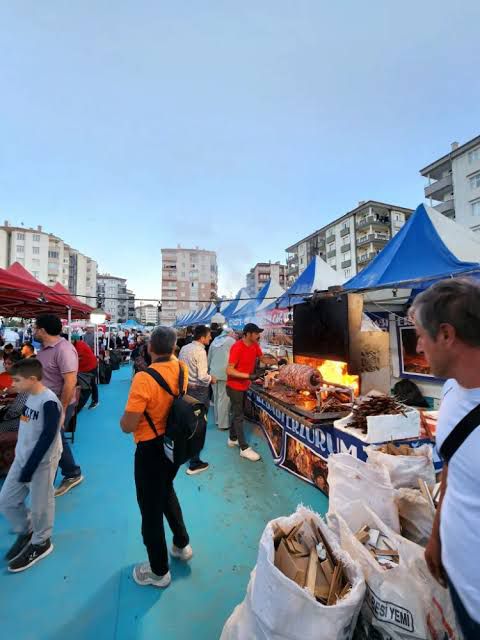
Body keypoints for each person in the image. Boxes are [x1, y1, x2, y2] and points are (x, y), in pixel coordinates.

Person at [411, 279, 480, 638]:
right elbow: (454, 468)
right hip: (458, 580)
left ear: (447, 335)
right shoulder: (452, 388)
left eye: (421, 335)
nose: (418, 346)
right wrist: (437, 536)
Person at [120, 326, 192, 589]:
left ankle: (159, 571)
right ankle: (181, 543)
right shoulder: (181, 369)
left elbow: (128, 425)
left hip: (150, 449)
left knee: (150, 508)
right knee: (166, 491)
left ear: (149, 348)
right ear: (174, 348)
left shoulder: (144, 378)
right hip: (174, 444)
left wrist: (123, 421)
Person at [0, 359, 62, 572]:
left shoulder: (48, 401)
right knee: (7, 500)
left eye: (17, 380)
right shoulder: (28, 396)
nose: (13, 383)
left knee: (40, 505)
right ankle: (26, 531)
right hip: (22, 457)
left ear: (32, 379)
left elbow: (48, 436)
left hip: (41, 462)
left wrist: (31, 464)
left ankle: (41, 541)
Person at [34, 314, 83, 497]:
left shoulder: (64, 350)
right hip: (45, 401)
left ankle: (71, 473)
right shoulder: (44, 348)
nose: (33, 331)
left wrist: (62, 410)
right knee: (55, 438)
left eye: (35, 328)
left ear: (43, 330)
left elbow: (70, 382)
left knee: (54, 438)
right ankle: (70, 472)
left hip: (57, 403)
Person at [226, 323, 277, 462]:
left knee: (238, 412)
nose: (258, 335)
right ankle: (244, 448)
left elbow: (262, 359)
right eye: (256, 333)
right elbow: (229, 370)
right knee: (239, 415)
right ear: (248, 334)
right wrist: (249, 376)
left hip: (244, 385)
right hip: (234, 386)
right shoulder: (237, 347)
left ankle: (232, 438)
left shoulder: (254, 345)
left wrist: (277, 361)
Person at [178, 325, 217, 475]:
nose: (211, 338)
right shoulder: (200, 351)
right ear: (202, 337)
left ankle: (185, 453)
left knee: (187, 423)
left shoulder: (184, 348)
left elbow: (181, 370)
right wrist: (211, 379)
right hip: (199, 392)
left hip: (185, 390)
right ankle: (194, 463)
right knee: (199, 426)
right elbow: (202, 376)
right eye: (209, 336)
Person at [208, 328, 236, 431]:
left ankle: (217, 420)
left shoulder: (215, 341)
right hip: (225, 374)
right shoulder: (231, 341)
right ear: (230, 334)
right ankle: (223, 424)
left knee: (216, 398)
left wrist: (209, 371)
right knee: (224, 399)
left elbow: (209, 357)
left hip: (213, 373)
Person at [0, 352, 27, 434]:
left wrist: (3, 416)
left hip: (19, 419)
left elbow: (16, 411)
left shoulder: (25, 384)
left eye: (9, 363)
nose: (6, 366)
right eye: (5, 363)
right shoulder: (2, 375)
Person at [73, 338, 99, 411]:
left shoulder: (79, 345)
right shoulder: (76, 345)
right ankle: (82, 401)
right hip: (84, 368)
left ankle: (95, 401)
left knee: (92, 384)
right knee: (84, 385)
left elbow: (76, 358)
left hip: (91, 366)